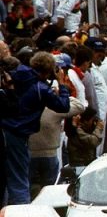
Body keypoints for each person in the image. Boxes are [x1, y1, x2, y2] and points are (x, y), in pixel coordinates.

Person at [0, 51, 72, 205]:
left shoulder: (13, 75)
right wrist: (62, 84)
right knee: (20, 179)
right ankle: (20, 215)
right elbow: (63, 106)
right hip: (17, 133)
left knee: (7, 178)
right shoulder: (41, 89)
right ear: (49, 71)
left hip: (4, 128)